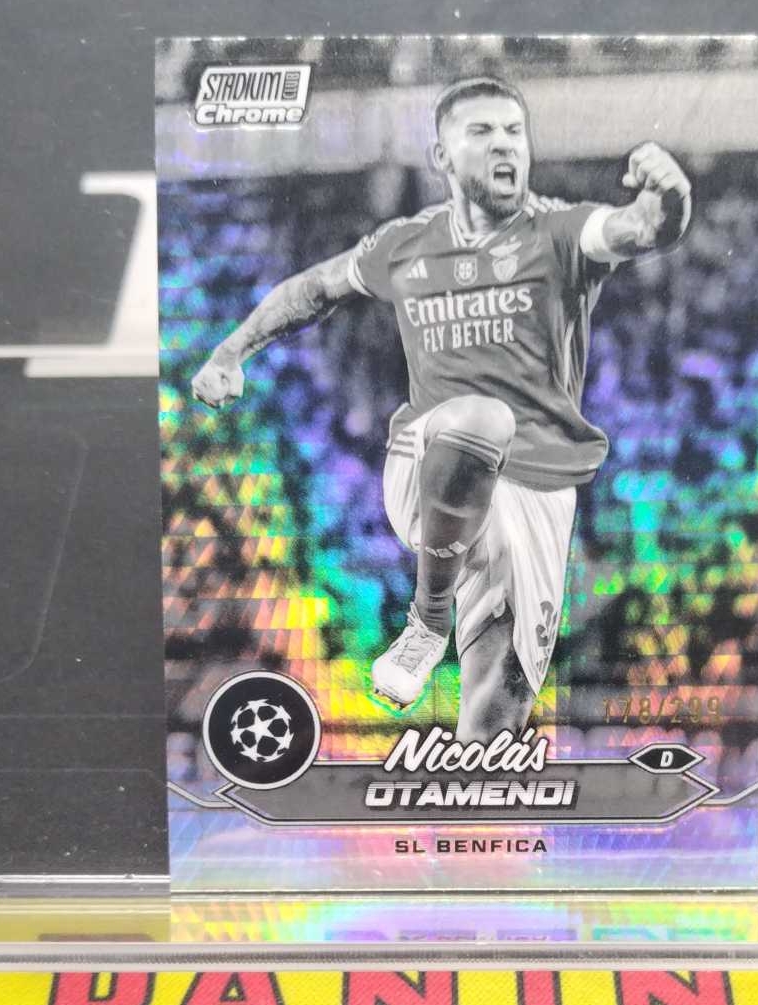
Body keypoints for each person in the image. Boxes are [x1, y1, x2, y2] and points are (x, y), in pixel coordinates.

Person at [192, 76, 691, 742]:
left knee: (500, 708)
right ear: (442, 158)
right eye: (481, 132)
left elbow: (643, 227)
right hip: (432, 460)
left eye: (514, 131)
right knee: (481, 417)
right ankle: (427, 621)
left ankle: (475, 792)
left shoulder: (562, 231)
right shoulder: (408, 243)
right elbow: (316, 288)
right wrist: (231, 351)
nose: (504, 144)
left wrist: (671, 198)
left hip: (536, 486)